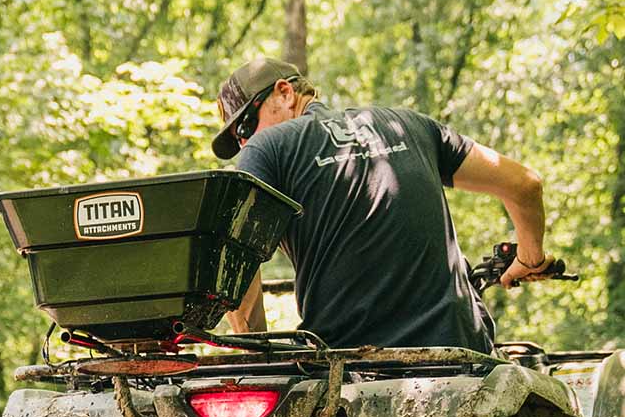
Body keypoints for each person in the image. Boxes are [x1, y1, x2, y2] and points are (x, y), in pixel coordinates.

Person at [214, 57, 553, 348]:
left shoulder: (268, 148)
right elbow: (524, 184)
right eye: (239, 140)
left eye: (245, 126)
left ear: (285, 93)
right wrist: (529, 258)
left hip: (349, 367)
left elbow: (234, 262)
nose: (246, 143)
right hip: (459, 353)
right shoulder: (411, 126)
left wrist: (255, 352)